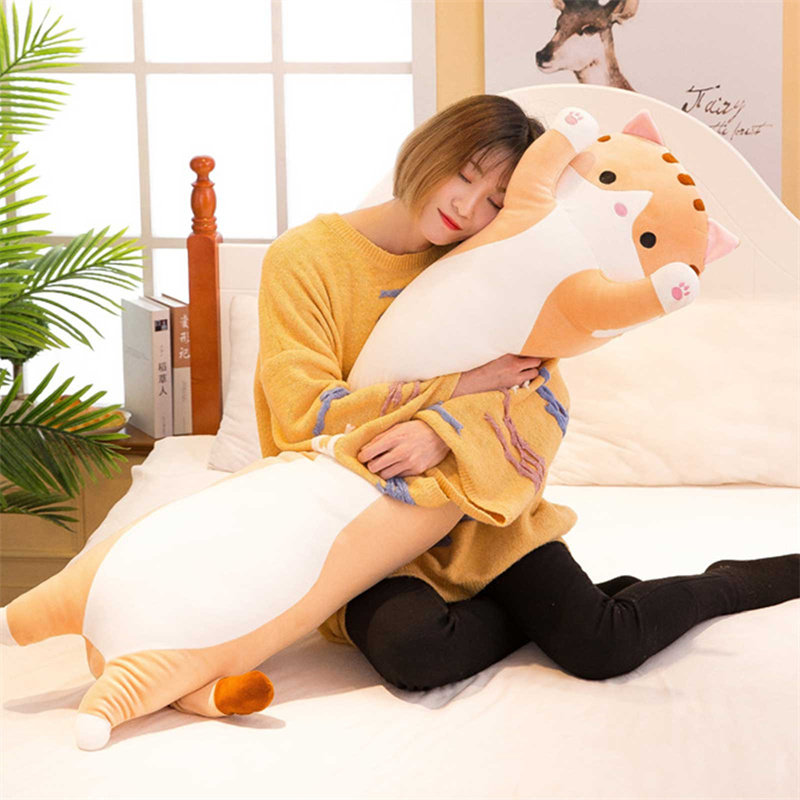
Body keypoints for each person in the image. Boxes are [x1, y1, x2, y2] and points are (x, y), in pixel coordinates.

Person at [254, 94, 799, 692]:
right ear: (427, 149)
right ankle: (563, 611)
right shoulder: (306, 258)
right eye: (463, 176)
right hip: (369, 522)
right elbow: (306, 414)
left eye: (496, 200)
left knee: (603, 647)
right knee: (415, 652)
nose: (466, 207)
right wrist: (462, 386)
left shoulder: (502, 258)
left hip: (482, 509)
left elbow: (539, 402)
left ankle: (725, 583)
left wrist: (444, 433)